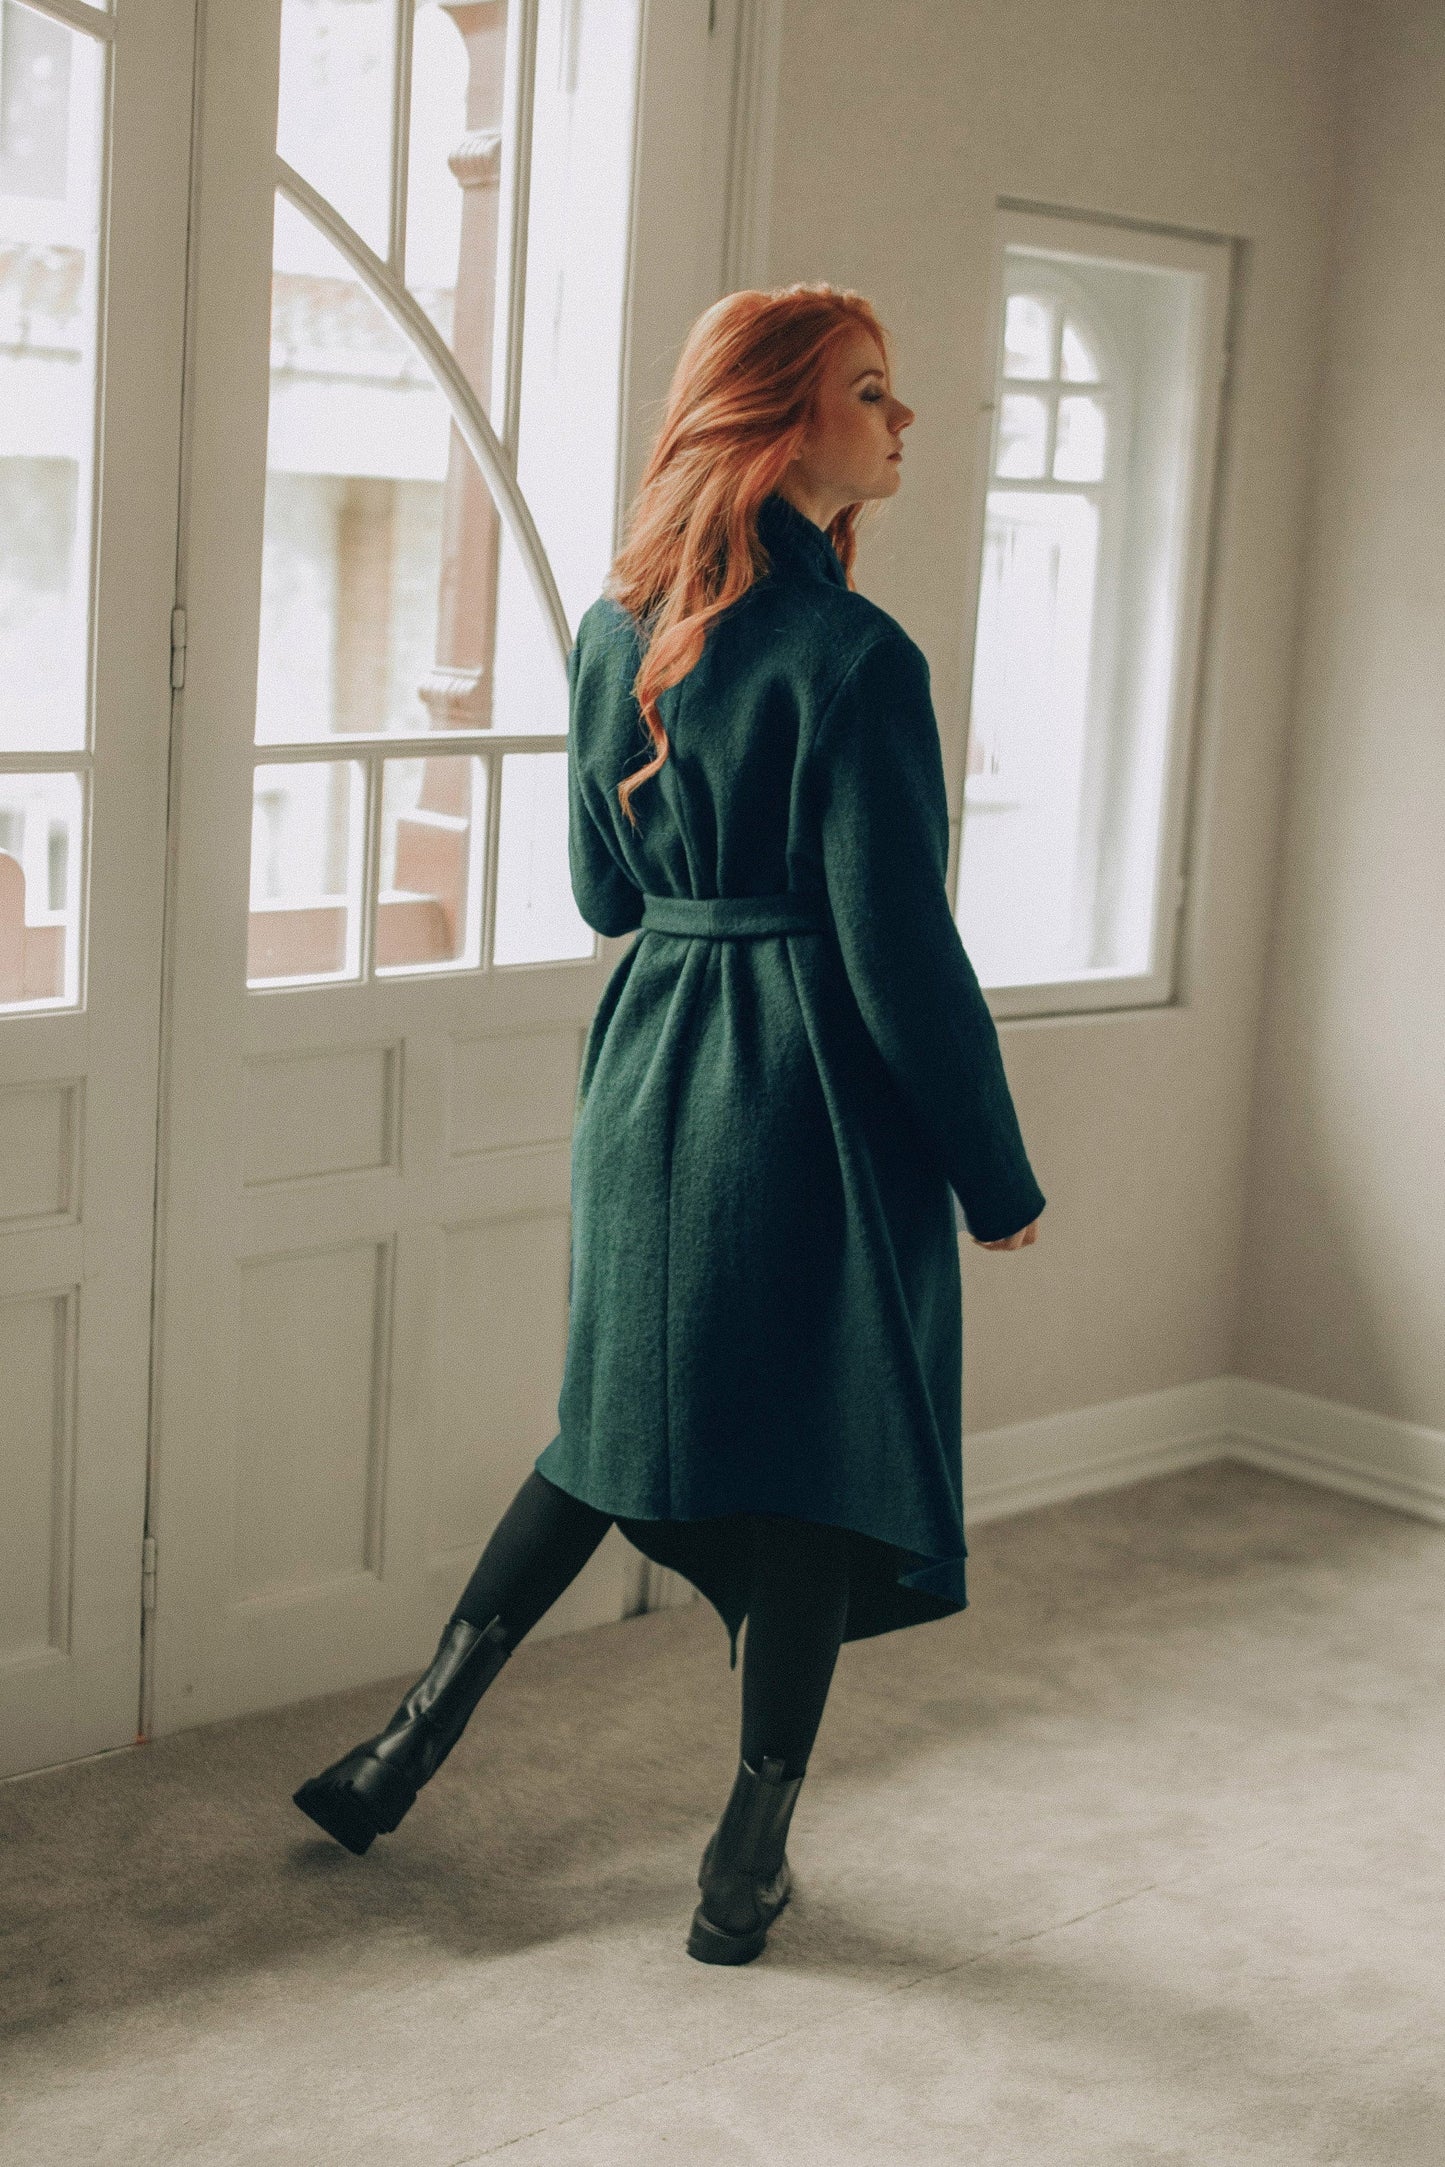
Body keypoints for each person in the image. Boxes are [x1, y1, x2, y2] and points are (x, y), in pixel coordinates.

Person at [293, 283, 1046, 1966]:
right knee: (812, 1465)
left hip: (647, 1075)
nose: (900, 420)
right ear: (779, 425)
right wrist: (990, 1170)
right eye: (871, 390)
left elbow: (597, 886)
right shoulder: (857, 657)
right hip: (808, 1094)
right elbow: (897, 950)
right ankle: (738, 1863)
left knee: (604, 1428)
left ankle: (402, 1743)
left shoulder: (612, 627)